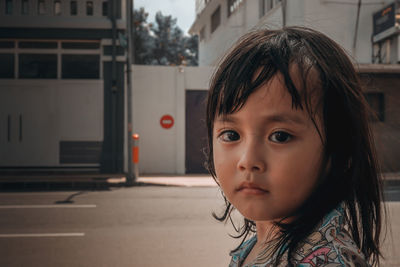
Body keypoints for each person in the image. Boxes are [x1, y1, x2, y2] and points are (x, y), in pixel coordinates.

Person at [206, 27, 385, 266]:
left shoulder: (324, 261)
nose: (248, 160)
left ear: (339, 152)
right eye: (231, 134)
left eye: (280, 136)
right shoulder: (254, 247)